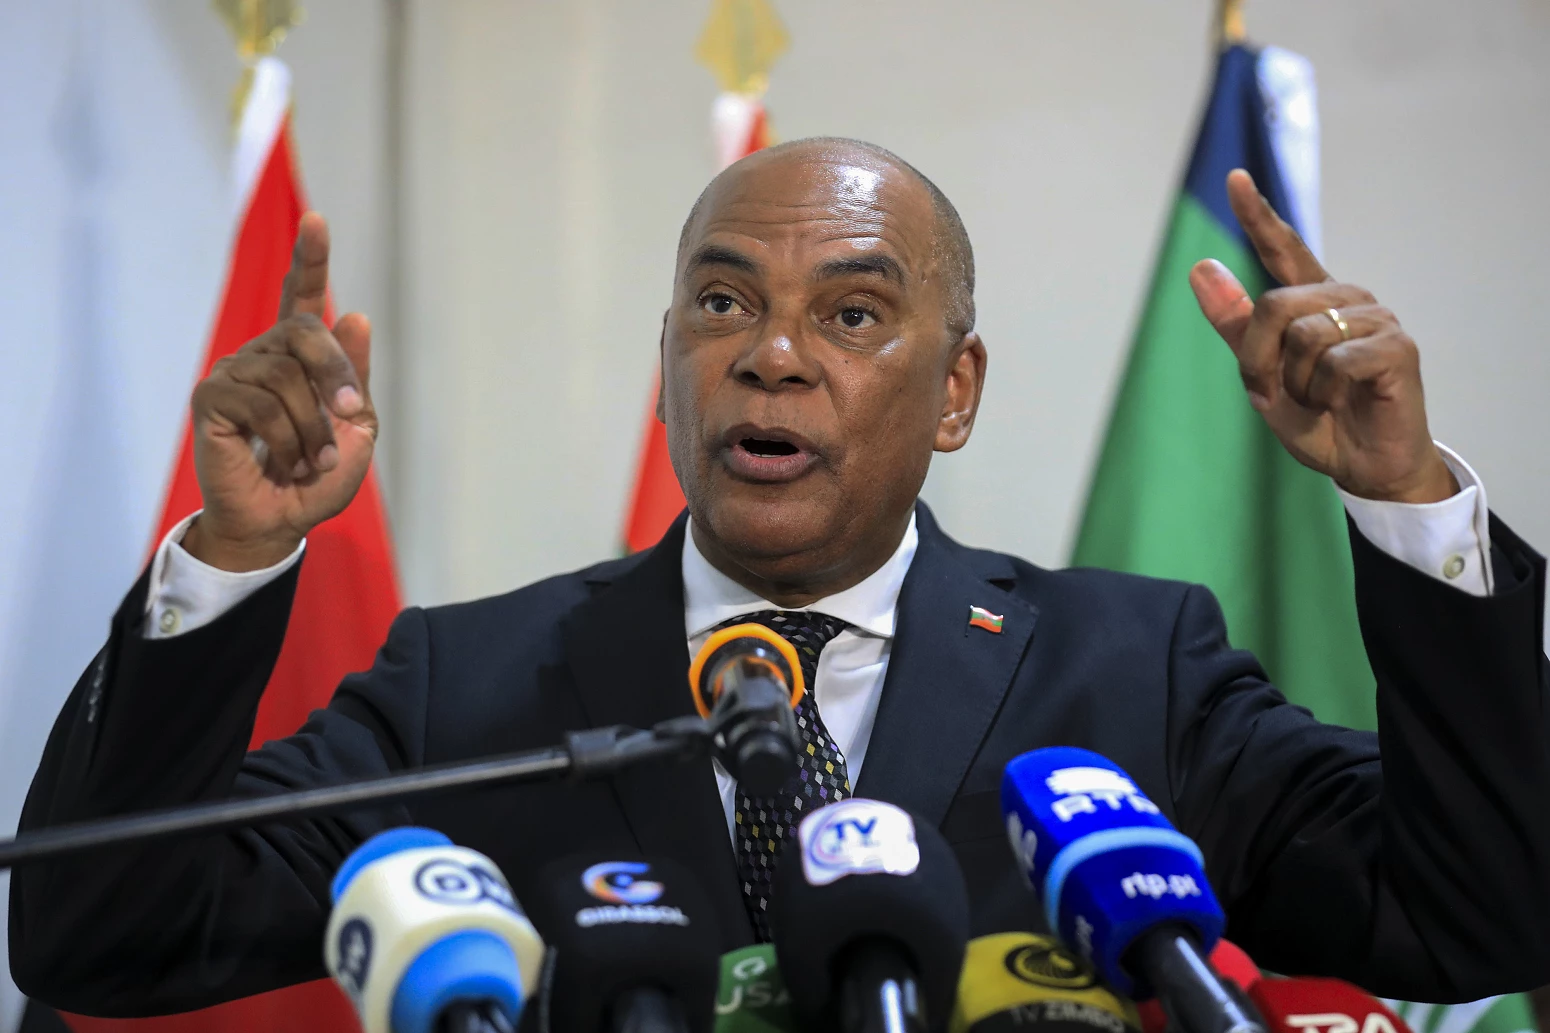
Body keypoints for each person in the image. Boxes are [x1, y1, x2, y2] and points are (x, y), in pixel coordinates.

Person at [11, 138, 1548, 1016]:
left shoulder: (1129, 668)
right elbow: (102, 932)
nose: (772, 354)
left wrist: (1406, 500)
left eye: (853, 314)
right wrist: (233, 552)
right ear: (667, 367)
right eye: (722, 303)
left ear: (954, 394)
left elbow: (1474, 916)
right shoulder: (463, 683)